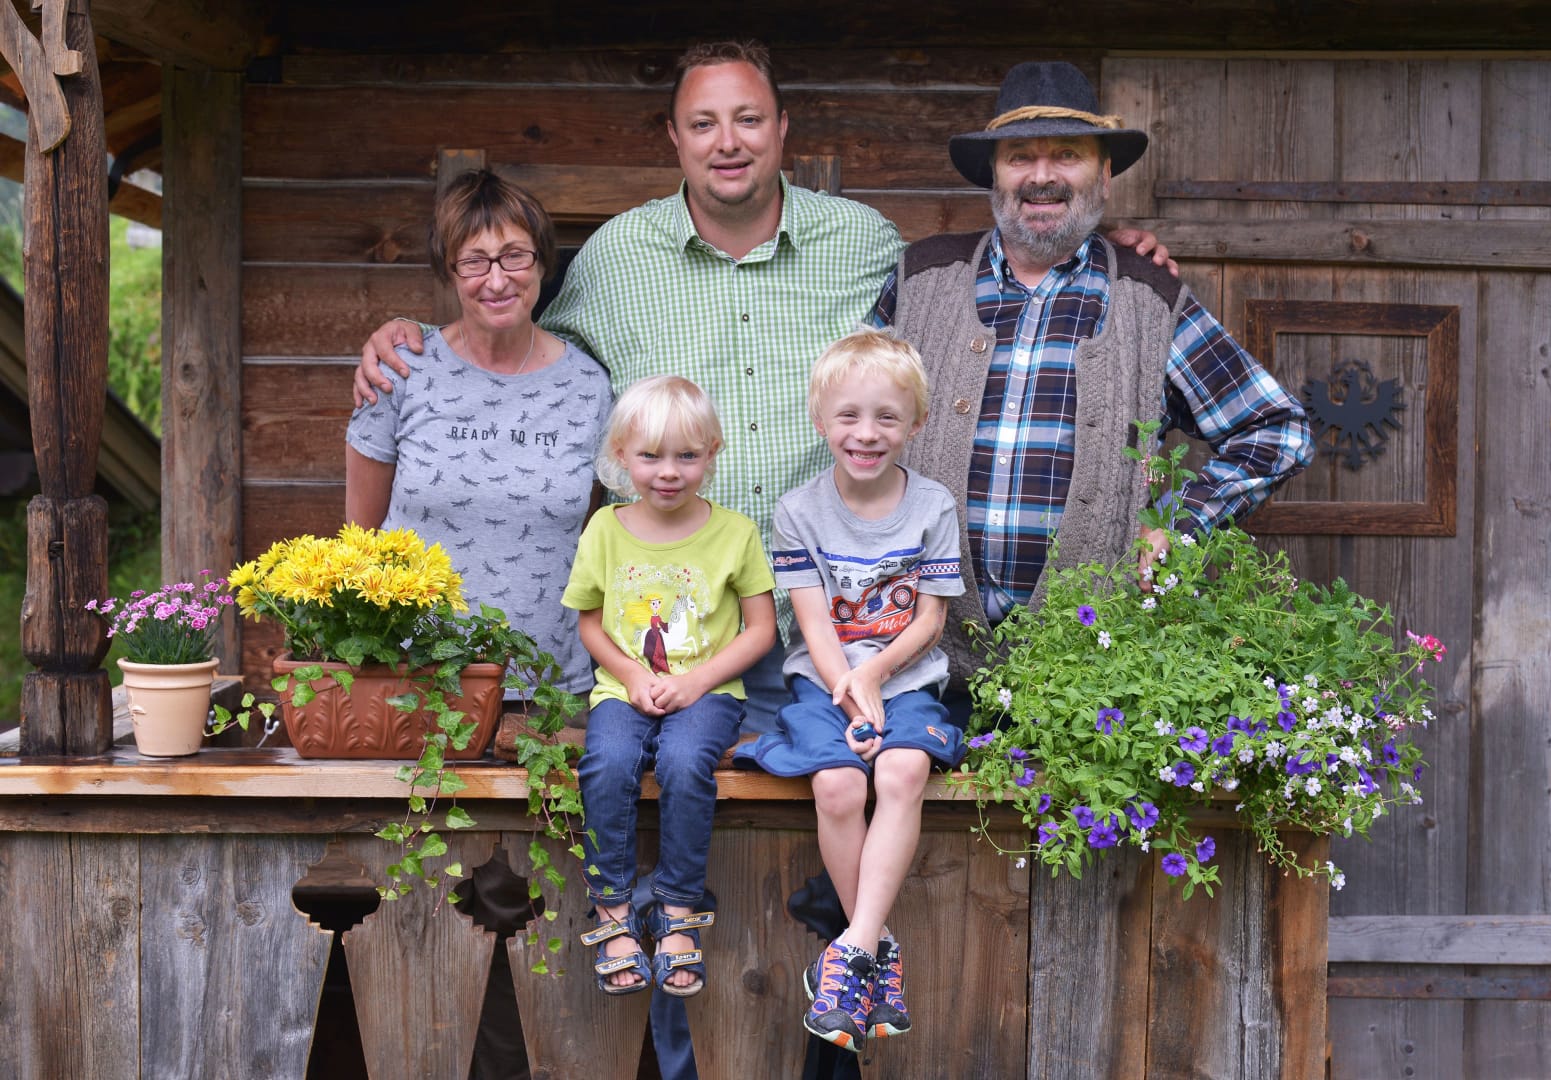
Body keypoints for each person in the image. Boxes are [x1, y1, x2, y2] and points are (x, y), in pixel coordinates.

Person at [349, 41, 1174, 734]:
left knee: (815, 810)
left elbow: (976, 284)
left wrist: (1100, 245)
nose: (727, 142)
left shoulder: (863, 244)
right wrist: (414, 338)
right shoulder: (614, 258)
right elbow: (518, 341)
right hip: (665, 633)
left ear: (781, 129)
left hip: (827, 628)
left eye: (747, 119)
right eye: (703, 123)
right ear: (674, 137)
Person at [874, 61, 1314, 712]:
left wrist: (1177, 525)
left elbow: (1277, 429)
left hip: (1087, 689)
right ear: (994, 174)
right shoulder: (920, 278)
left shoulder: (1147, 297)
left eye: (1067, 155)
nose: (1042, 176)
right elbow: (847, 412)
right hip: (914, 670)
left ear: (1104, 175)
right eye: (1020, 156)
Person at [345, 168, 611, 1080]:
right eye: (475, 260)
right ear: (447, 269)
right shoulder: (402, 369)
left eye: (515, 257)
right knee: (425, 904)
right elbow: (360, 546)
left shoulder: (588, 387)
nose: (497, 278)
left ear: (543, 264)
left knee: (538, 906)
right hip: (421, 695)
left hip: (551, 696)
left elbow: (610, 538)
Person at [735, 329, 964, 1052]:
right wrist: (847, 688)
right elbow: (812, 623)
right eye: (849, 416)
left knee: (902, 770)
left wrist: (874, 677)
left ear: (916, 423)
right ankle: (878, 948)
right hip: (823, 682)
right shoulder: (798, 511)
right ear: (820, 420)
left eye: (887, 417)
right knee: (836, 784)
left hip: (907, 678)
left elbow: (930, 619)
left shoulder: (933, 506)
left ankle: (850, 949)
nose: (867, 434)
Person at [562, 375, 777, 996]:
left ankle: (678, 912)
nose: (668, 471)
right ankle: (612, 911)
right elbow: (590, 622)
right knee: (607, 762)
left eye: (686, 455)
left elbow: (761, 629)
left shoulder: (735, 533)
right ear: (621, 454)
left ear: (712, 453)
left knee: (684, 762)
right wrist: (632, 675)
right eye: (650, 455)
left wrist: (696, 682)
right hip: (622, 692)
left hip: (709, 694)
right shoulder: (605, 529)